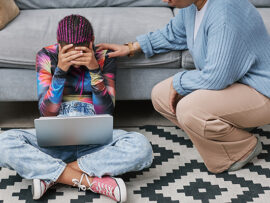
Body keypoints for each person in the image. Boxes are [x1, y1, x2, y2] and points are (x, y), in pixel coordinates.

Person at [96, 0, 270, 174]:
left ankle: (240, 149)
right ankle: (229, 132)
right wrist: (132, 47)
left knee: (189, 109)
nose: (164, 0)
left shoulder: (224, 13)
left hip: (260, 91)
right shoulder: (194, 6)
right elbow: (173, 34)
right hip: (235, 83)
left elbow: (216, 77)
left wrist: (179, 82)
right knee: (160, 95)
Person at [0, 15, 153, 202]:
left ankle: (53, 175)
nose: (76, 57)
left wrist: (95, 70)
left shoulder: (104, 57)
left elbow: (105, 112)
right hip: (55, 136)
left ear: (92, 42)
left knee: (141, 147)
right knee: (3, 143)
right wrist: (60, 72)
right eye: (70, 52)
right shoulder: (46, 55)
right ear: (58, 44)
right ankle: (88, 180)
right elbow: (47, 112)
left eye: (82, 51)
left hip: (96, 142)